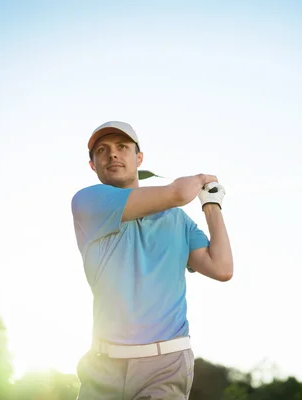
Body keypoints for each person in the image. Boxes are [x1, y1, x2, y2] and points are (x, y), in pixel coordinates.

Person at [70, 121, 233, 399]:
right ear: (92, 166)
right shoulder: (88, 202)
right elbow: (179, 193)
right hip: (102, 368)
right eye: (102, 150)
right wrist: (202, 178)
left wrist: (211, 204)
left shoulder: (177, 220)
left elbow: (221, 267)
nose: (112, 154)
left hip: (165, 365)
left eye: (123, 147)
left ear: (139, 158)